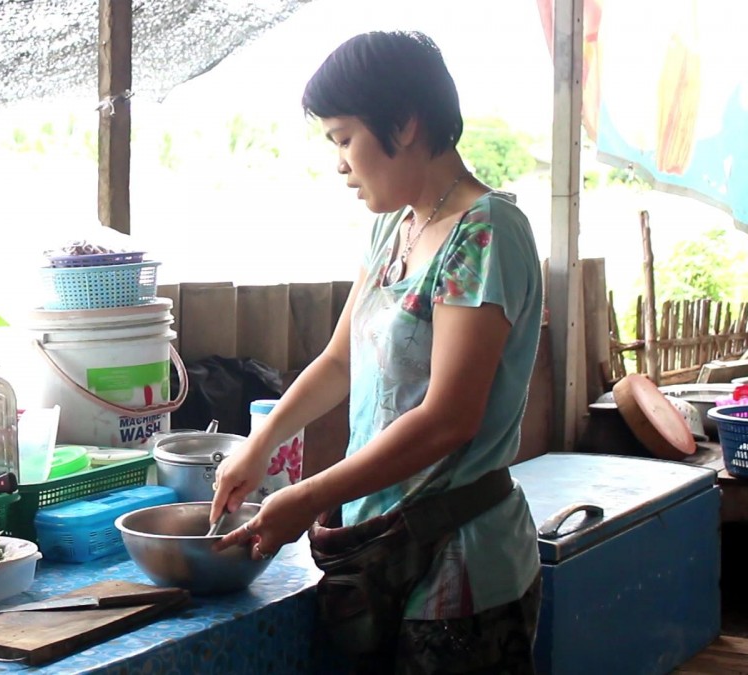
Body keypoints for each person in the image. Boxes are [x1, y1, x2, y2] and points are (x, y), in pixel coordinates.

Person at [211, 30, 543, 673]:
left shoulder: (486, 233)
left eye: (343, 138)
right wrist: (259, 444)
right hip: (378, 542)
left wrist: (305, 497)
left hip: (460, 563)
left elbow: (449, 419)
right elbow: (341, 361)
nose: (339, 163)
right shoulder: (393, 225)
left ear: (406, 123)